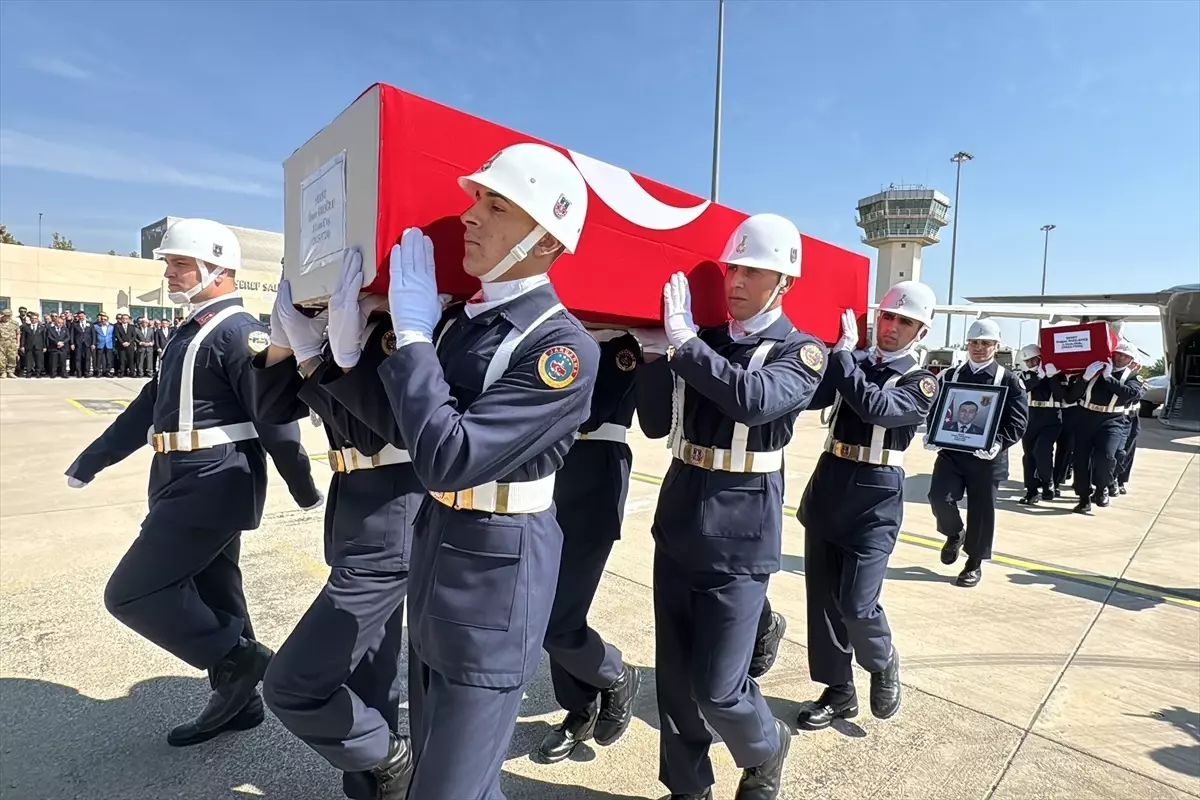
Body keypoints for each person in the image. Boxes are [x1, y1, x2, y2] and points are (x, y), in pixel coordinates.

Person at [364, 143, 601, 799]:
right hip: (438, 543)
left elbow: (450, 454)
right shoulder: (460, 321)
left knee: (445, 789)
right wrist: (325, 356)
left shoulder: (562, 347)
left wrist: (412, 338)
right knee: (448, 771)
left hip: (497, 572)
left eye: (495, 204)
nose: (470, 215)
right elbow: (404, 428)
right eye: (475, 199)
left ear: (547, 238)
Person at [63, 218, 323, 746]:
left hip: (214, 481)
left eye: (180, 263)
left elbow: (273, 416)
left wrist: (301, 482)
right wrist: (93, 459)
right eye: (170, 262)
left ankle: (241, 660)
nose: (170, 272)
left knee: (133, 592)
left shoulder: (238, 331)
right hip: (179, 475)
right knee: (217, 590)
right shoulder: (189, 330)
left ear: (218, 268)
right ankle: (239, 703)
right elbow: (148, 408)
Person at [636, 213, 824, 800]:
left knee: (718, 687)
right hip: (682, 511)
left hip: (743, 526)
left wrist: (684, 343)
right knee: (675, 681)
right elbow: (651, 423)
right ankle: (688, 788)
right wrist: (649, 358)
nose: (736, 280)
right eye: (732, 267)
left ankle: (766, 747)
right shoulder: (702, 339)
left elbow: (754, 400)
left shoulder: (803, 352)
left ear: (784, 282)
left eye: (753, 271)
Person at [251, 253, 418, 800]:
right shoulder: (335, 320)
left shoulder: (390, 323)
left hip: (391, 515)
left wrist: (315, 359)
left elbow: (372, 432)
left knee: (293, 683)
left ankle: (392, 758)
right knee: (372, 679)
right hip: (355, 515)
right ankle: (377, 781)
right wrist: (286, 340)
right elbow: (273, 409)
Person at [790, 281, 938, 730]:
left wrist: (843, 359)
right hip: (831, 480)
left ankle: (882, 658)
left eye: (905, 322)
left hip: (876, 494)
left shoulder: (922, 380)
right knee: (823, 602)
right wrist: (816, 356)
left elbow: (878, 408)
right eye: (888, 317)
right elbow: (811, 396)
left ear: (921, 332)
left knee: (858, 604)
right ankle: (838, 691)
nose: (891, 328)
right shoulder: (851, 360)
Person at [535, 327, 643, 764]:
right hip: (550, 477)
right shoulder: (561, 331)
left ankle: (615, 674)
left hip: (595, 481)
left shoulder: (621, 346)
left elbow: (591, 411)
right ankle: (579, 708)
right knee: (551, 612)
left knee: (558, 620)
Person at [925, 318, 1028, 587]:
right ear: (967, 344)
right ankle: (955, 532)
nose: (979, 348)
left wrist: (998, 443)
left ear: (996, 346)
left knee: (982, 512)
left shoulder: (1009, 380)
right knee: (938, 498)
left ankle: (974, 563)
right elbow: (936, 410)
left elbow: (1017, 422)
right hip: (952, 454)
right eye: (974, 343)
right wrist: (932, 432)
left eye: (986, 343)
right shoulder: (950, 375)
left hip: (987, 459)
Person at [1059, 339, 1145, 513]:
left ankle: (1102, 488)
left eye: (1125, 356)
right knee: (1080, 459)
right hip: (1086, 416)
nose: (1120, 358)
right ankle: (1083, 497)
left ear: (1131, 360)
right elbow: (1071, 397)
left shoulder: (1132, 377)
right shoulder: (1094, 370)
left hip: (1112, 419)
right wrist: (1084, 378)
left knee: (1106, 456)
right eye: (1118, 354)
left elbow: (1130, 394)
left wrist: (1109, 378)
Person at [1016, 344, 1067, 505]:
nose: (1031, 363)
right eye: (1028, 361)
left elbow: (1061, 396)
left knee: (1043, 450)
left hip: (1052, 417)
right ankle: (1031, 491)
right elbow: (1023, 389)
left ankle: (1047, 483)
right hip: (1031, 417)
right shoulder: (1024, 376)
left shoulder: (1057, 375)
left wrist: (1052, 377)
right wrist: (1039, 376)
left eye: (1034, 360)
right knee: (1029, 455)